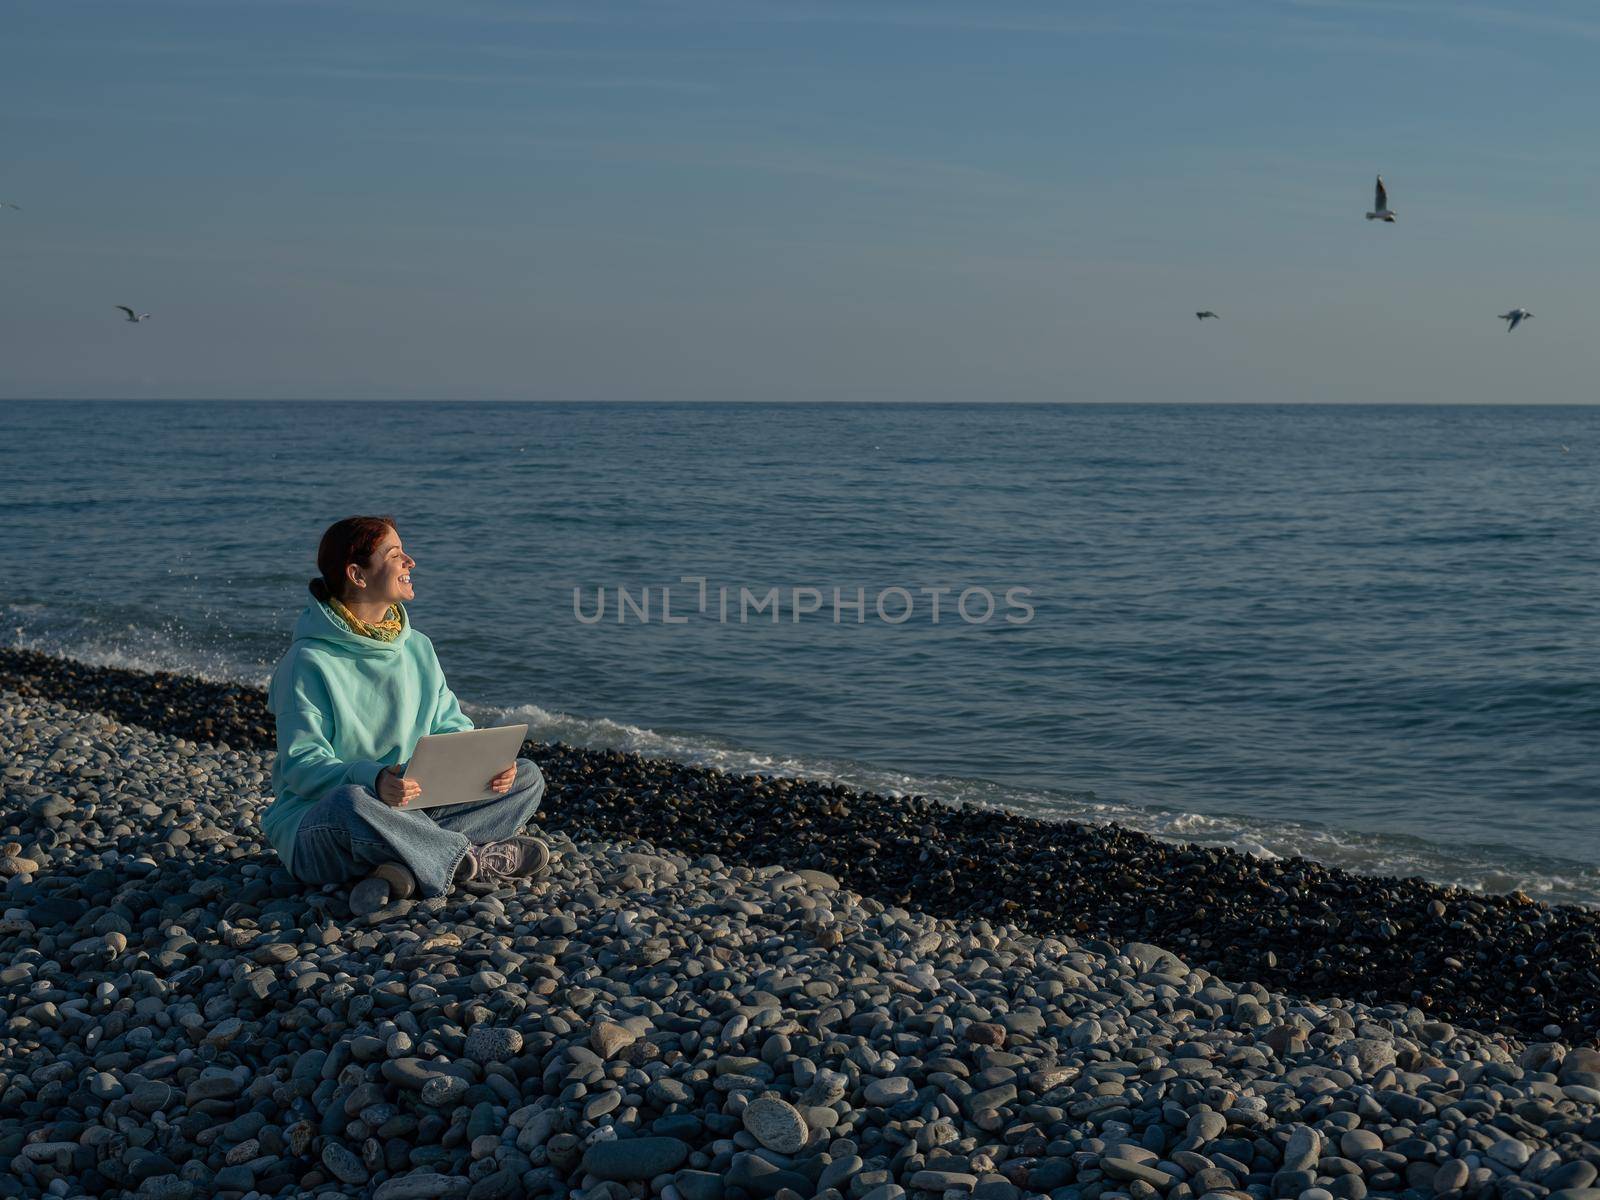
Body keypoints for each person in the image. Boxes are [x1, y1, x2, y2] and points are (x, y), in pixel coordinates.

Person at [262, 515, 550, 898]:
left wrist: (487, 763)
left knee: (527, 777)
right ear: (357, 575)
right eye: (396, 555)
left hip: (411, 807)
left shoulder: (417, 647)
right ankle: (467, 858)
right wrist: (374, 778)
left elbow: (450, 726)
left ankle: (408, 860)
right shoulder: (307, 660)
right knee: (352, 802)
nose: (410, 562)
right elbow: (302, 766)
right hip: (320, 825)